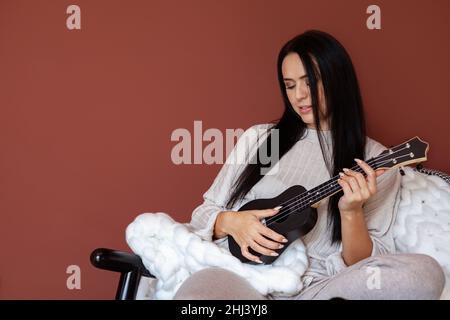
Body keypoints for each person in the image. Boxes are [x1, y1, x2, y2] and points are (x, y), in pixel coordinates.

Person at [173, 30, 445, 300]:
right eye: (290, 85)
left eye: (309, 82)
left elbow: (364, 266)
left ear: (338, 80)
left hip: (317, 288)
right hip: (241, 279)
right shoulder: (264, 139)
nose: (299, 96)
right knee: (197, 293)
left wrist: (351, 212)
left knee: (426, 273)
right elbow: (203, 213)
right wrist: (231, 222)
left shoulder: (374, 158)